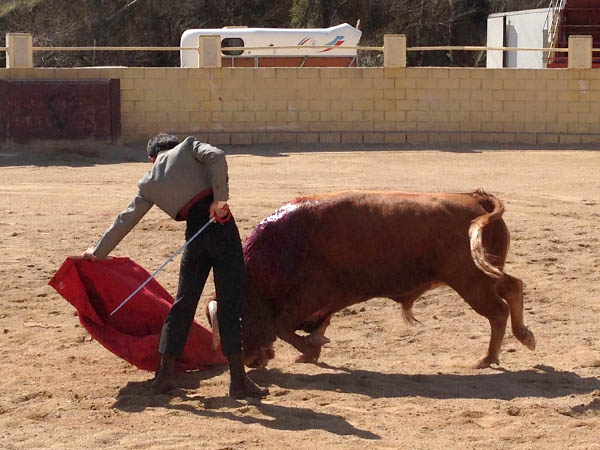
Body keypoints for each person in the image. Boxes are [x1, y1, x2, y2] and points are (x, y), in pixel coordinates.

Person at [84, 133, 268, 399]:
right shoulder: (190, 146)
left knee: (182, 304)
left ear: (151, 158)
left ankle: (164, 376)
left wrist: (97, 252)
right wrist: (220, 200)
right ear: (174, 146)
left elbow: (125, 219)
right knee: (230, 303)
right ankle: (237, 381)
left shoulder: (148, 182)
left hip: (195, 234)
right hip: (221, 227)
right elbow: (216, 156)